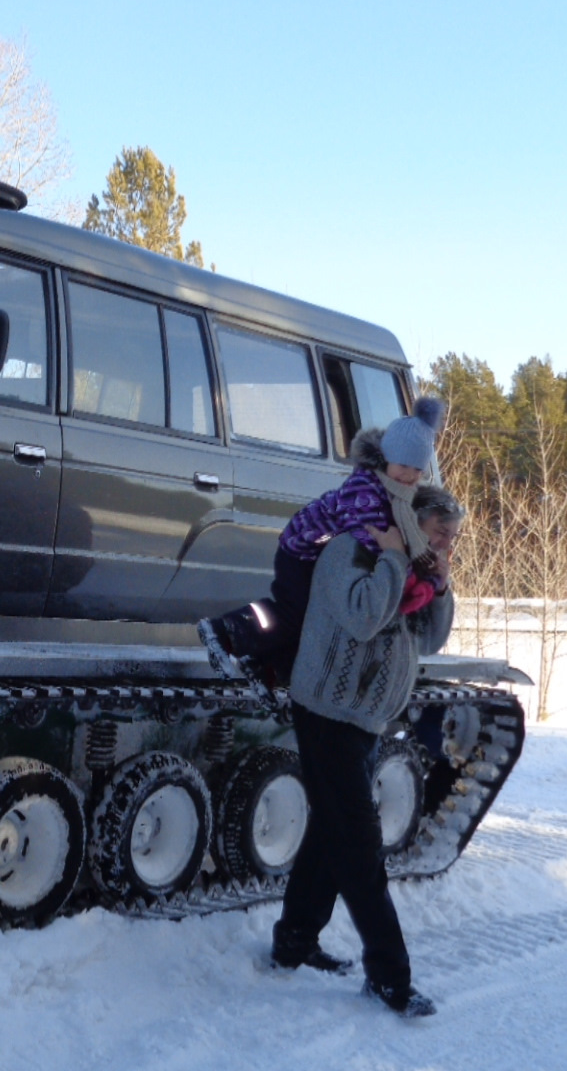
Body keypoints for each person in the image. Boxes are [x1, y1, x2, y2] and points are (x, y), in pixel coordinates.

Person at [271, 483, 464, 1019]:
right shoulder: (350, 552)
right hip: (327, 712)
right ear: (408, 517)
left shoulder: (412, 573)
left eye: (454, 533)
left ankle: (293, 942)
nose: (448, 538)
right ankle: (389, 977)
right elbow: (362, 616)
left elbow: (429, 640)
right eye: (439, 528)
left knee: (332, 831)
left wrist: (441, 587)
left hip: (364, 719)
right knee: (358, 845)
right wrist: (398, 562)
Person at [198, 397, 447, 693]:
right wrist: (402, 572)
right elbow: (373, 539)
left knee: (318, 624)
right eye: (404, 465)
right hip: (303, 551)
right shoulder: (365, 490)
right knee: (296, 613)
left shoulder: (398, 494)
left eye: (418, 469)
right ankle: (228, 630)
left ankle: (266, 666)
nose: (411, 475)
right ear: (388, 457)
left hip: (323, 556)